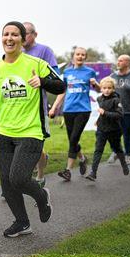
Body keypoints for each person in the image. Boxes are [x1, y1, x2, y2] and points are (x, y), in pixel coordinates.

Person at [0, 21, 65, 237]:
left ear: (23, 40)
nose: (9, 38)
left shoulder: (36, 63)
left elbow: (61, 86)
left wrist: (42, 81)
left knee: (19, 179)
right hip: (4, 132)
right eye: (6, 34)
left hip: (31, 131)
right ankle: (22, 223)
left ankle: (42, 196)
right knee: (7, 184)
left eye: (15, 34)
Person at [49, 47, 100, 181]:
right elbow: (62, 91)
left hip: (83, 110)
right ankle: (82, 159)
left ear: (85, 57)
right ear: (74, 56)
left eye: (83, 55)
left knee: (73, 139)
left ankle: (68, 171)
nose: (80, 56)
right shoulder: (67, 72)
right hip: (68, 109)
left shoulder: (90, 72)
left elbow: (100, 89)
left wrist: (95, 84)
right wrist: (54, 107)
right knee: (73, 139)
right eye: (78, 54)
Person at [23, 22, 59, 188]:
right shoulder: (14, 53)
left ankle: (40, 175)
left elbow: (56, 79)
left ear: (35, 34)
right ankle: (13, 184)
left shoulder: (44, 51)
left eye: (26, 33)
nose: (22, 37)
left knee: (36, 147)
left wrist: (40, 80)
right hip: (17, 109)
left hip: (37, 108)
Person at [85, 77, 130, 181]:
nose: (107, 90)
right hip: (101, 129)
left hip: (114, 130)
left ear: (113, 89)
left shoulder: (116, 100)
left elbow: (119, 115)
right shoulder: (99, 99)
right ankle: (93, 173)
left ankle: (124, 165)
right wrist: (99, 119)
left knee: (118, 149)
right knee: (98, 150)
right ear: (101, 89)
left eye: (109, 88)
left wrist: (105, 113)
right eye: (104, 88)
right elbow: (101, 113)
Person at [108, 55, 130, 165]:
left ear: (127, 63)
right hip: (114, 111)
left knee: (127, 134)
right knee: (113, 133)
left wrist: (128, 86)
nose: (118, 62)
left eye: (121, 61)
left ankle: (128, 156)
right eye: (118, 60)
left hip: (129, 111)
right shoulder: (112, 76)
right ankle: (116, 152)